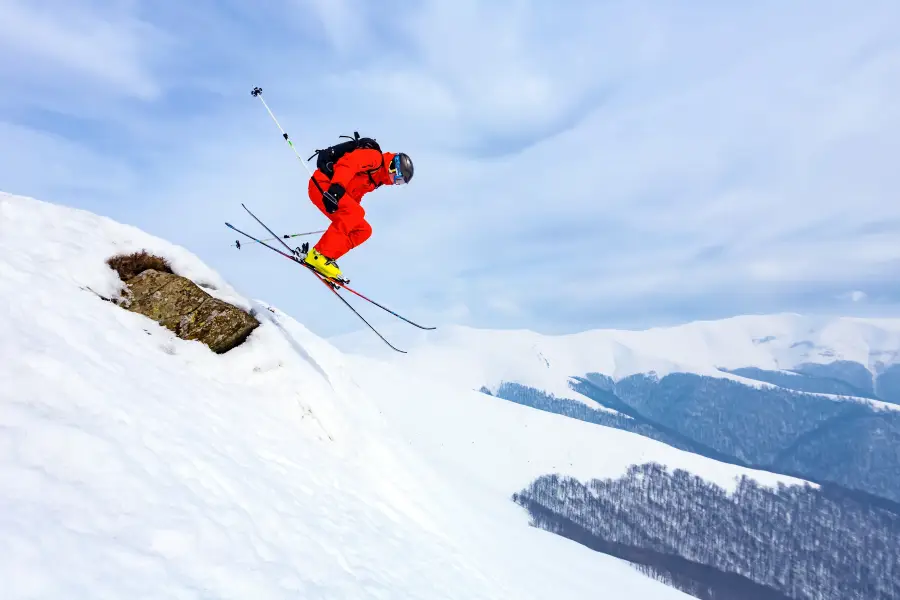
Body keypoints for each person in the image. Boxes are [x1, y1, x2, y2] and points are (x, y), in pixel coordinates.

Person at [304, 145, 414, 280]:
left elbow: (355, 195)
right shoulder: (375, 158)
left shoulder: (376, 180)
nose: (396, 183)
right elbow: (348, 163)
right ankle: (319, 254)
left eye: (400, 182)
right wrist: (337, 187)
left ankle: (327, 258)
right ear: (394, 167)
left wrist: (350, 217)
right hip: (324, 184)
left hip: (335, 193)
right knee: (356, 212)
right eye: (398, 179)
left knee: (363, 230)